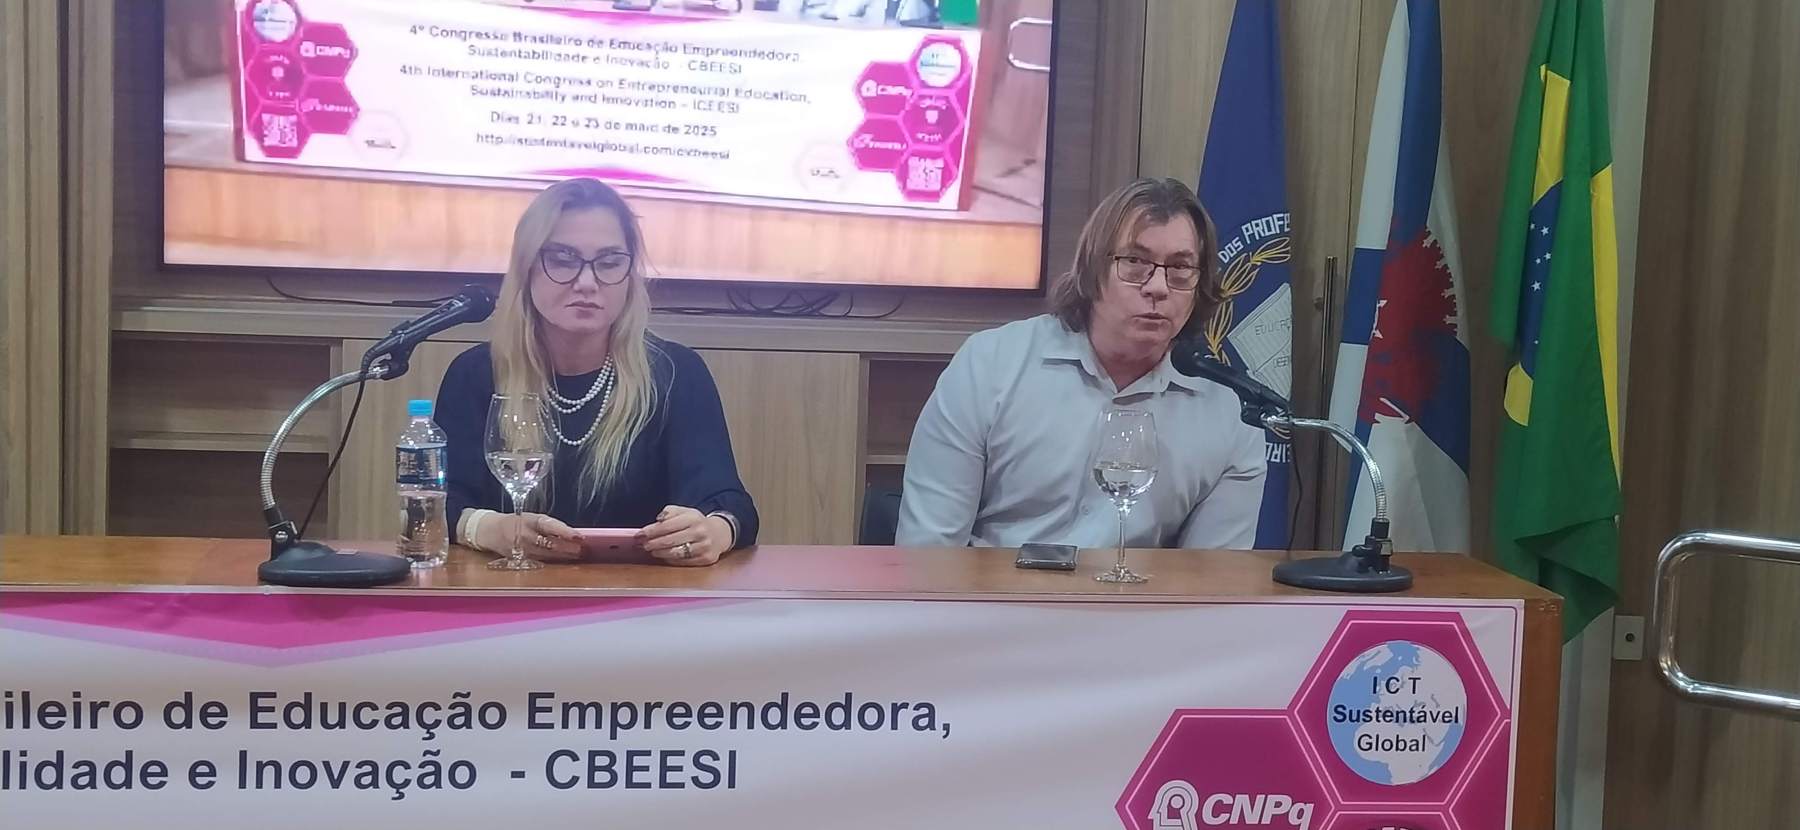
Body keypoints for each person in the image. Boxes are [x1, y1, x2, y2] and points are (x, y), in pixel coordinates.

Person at [896, 177, 1266, 549]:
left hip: (1139, 590)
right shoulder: (990, 366)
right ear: (1092, 268)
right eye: (1135, 262)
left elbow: (1213, 576)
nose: (1158, 287)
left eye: (1180, 268)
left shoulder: (1231, 412)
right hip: (992, 586)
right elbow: (928, 550)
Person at [436, 178, 758, 566]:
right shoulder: (475, 374)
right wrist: (492, 529)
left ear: (630, 274)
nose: (587, 283)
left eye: (609, 263)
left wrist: (715, 532)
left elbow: (729, 503)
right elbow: (437, 504)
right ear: (527, 268)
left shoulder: (676, 372)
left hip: (643, 594)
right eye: (563, 259)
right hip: (509, 592)